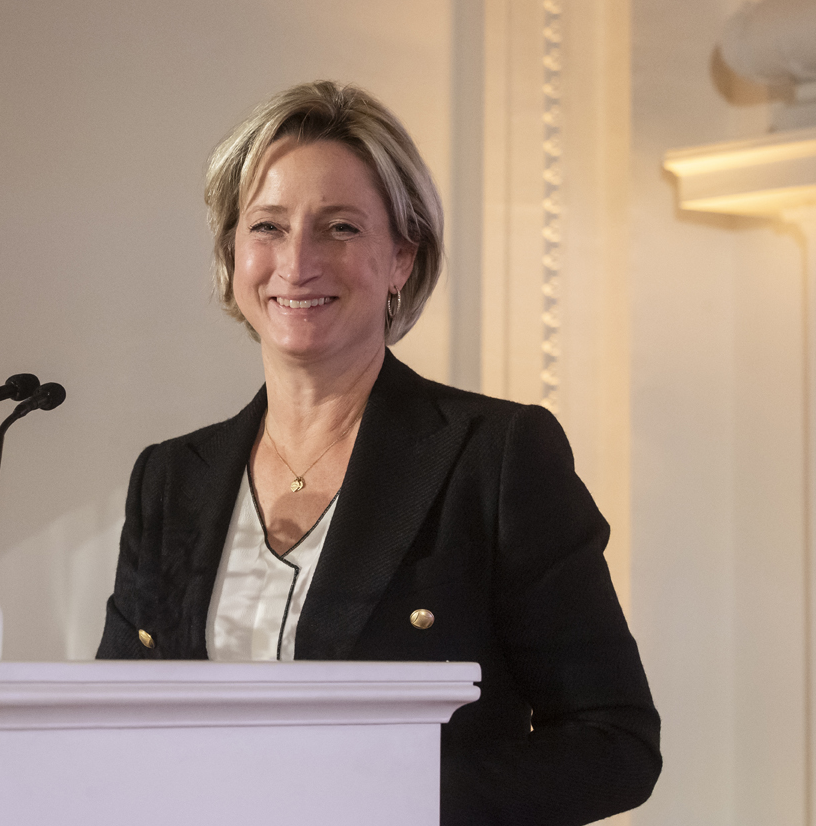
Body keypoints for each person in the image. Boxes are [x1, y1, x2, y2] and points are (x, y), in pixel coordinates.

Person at [96, 81, 661, 824]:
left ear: (401, 258)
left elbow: (614, 743)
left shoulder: (495, 457)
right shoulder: (170, 479)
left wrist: (381, 798)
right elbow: (113, 727)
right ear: (233, 254)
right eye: (267, 226)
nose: (298, 262)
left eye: (340, 228)